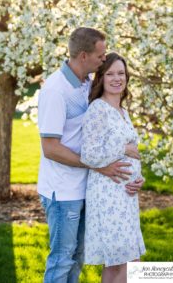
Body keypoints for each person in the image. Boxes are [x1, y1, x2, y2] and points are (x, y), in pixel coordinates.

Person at [38, 27, 144, 283]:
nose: (102, 59)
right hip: (62, 190)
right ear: (84, 55)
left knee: (77, 259)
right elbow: (50, 148)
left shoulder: (85, 83)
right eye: (100, 55)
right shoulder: (55, 90)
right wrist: (100, 165)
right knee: (63, 259)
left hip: (87, 186)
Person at [81, 52, 146, 283]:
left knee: (117, 264)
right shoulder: (97, 109)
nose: (117, 78)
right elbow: (88, 154)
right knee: (128, 264)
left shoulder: (123, 111)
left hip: (126, 197)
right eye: (110, 74)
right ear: (101, 78)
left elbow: (133, 152)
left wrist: (139, 179)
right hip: (108, 196)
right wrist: (123, 149)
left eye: (121, 73)